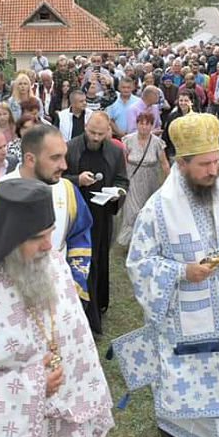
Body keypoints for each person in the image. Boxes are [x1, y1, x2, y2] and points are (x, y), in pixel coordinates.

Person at [111, 111, 219, 437]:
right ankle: (180, 429)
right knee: (186, 376)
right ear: (181, 164)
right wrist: (183, 271)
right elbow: (139, 263)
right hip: (181, 320)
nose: (214, 170)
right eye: (204, 164)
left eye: (216, 161)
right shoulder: (157, 209)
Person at [0, 179, 113, 437]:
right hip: (15, 430)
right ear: (9, 238)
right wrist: (34, 384)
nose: (48, 246)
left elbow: (79, 336)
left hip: (68, 422)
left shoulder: (55, 265)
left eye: (50, 233)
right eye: (37, 238)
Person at [0, 125, 92, 300]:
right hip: (5, 300)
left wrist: (75, 283)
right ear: (30, 159)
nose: (64, 165)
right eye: (55, 158)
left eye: (64, 156)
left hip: (59, 293)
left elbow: (80, 236)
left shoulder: (68, 191)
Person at [63, 111, 128, 334]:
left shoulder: (115, 151)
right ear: (85, 127)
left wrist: (118, 193)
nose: (96, 138)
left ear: (108, 131)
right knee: (79, 259)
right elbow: (57, 178)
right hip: (75, 215)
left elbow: (122, 179)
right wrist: (77, 180)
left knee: (98, 259)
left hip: (101, 214)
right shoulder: (70, 148)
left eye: (101, 134)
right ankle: (80, 307)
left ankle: (97, 305)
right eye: (92, 132)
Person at [116, 112, 169, 246]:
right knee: (132, 211)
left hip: (150, 181)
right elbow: (121, 161)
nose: (144, 127)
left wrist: (168, 181)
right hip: (132, 179)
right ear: (137, 124)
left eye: (147, 124)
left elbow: (164, 163)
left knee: (148, 211)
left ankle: (147, 241)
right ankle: (130, 243)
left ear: (152, 126)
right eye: (141, 123)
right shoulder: (128, 140)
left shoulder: (157, 142)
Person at [162, 91, 196, 161]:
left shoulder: (196, 117)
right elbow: (166, 136)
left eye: (186, 101)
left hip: (191, 152)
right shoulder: (172, 117)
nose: (183, 103)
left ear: (191, 102)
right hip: (174, 152)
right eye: (181, 100)